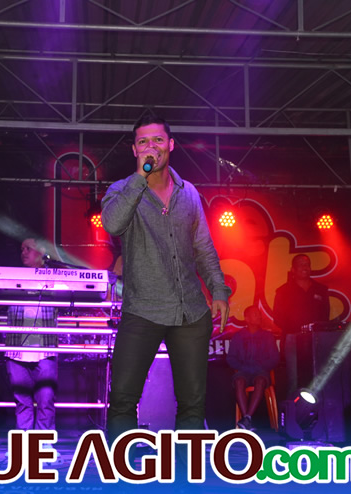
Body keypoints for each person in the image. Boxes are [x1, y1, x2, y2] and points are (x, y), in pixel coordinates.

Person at [101, 114, 230, 441]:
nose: (151, 146)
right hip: (142, 310)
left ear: (170, 145)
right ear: (135, 150)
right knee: (122, 400)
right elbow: (113, 224)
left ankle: (185, 470)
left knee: (192, 405)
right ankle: (121, 468)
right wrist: (140, 178)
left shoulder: (189, 193)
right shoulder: (121, 190)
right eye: (143, 141)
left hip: (190, 312)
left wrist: (218, 290)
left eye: (158, 139)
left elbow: (203, 247)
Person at [4, 238, 58, 433]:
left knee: (46, 401)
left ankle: (44, 443)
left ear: (41, 252)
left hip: (45, 349)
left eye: (28, 248)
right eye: (22, 249)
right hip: (16, 348)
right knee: (22, 401)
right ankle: (23, 442)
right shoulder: (13, 277)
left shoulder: (54, 277)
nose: (24, 252)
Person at [273, 254, 330, 396]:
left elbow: (325, 315)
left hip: (315, 339)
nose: (305, 267)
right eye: (301, 264)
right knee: (294, 379)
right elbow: (277, 317)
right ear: (293, 269)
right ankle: (294, 408)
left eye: (308, 264)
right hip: (293, 338)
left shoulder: (320, 289)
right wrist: (295, 328)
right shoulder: (283, 291)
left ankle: (318, 408)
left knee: (317, 377)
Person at [227, 306, 280, 430]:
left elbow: (274, 358)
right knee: (239, 381)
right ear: (247, 318)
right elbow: (231, 358)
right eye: (256, 314)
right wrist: (243, 367)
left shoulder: (267, 336)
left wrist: (259, 367)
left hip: (261, 371)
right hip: (243, 371)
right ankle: (247, 420)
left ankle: (247, 418)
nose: (260, 317)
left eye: (259, 314)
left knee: (260, 380)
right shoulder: (238, 336)